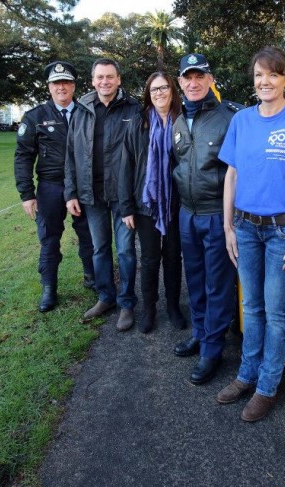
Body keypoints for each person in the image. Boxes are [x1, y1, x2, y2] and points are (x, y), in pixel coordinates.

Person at [217, 46, 285, 422]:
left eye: (272, 75)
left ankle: (267, 387)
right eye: (258, 76)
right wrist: (228, 225)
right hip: (246, 228)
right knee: (250, 307)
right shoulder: (242, 121)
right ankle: (246, 376)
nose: (264, 82)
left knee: (276, 312)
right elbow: (231, 176)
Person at [171, 53, 242, 385]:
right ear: (180, 82)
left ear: (211, 80)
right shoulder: (177, 120)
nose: (194, 83)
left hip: (217, 215)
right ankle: (200, 334)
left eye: (200, 77)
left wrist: (231, 222)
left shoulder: (229, 117)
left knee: (217, 285)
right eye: (188, 77)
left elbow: (238, 172)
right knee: (195, 280)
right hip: (188, 215)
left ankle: (213, 350)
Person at [64, 58, 141, 330]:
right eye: (100, 77)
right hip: (92, 195)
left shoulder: (133, 109)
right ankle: (106, 297)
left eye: (110, 76)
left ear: (119, 79)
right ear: (93, 80)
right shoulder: (82, 110)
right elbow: (71, 154)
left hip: (123, 197)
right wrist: (70, 192)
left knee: (126, 252)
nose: (105, 82)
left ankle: (127, 303)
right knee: (99, 249)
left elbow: (139, 156)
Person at [14, 61, 95, 313]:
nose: (61, 87)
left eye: (66, 82)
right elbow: (23, 156)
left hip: (83, 186)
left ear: (73, 85)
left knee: (88, 236)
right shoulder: (35, 117)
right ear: (49, 87)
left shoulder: (86, 112)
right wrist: (27, 194)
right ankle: (49, 288)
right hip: (50, 187)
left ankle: (92, 277)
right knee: (49, 239)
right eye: (56, 83)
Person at [119, 72, 186, 334]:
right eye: (154, 89)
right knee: (148, 259)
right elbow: (125, 166)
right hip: (145, 203)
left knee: (172, 257)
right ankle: (149, 308)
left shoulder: (183, 121)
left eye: (164, 88)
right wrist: (126, 207)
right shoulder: (138, 123)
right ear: (148, 93)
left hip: (175, 202)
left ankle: (173, 306)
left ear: (172, 90)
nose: (159, 93)